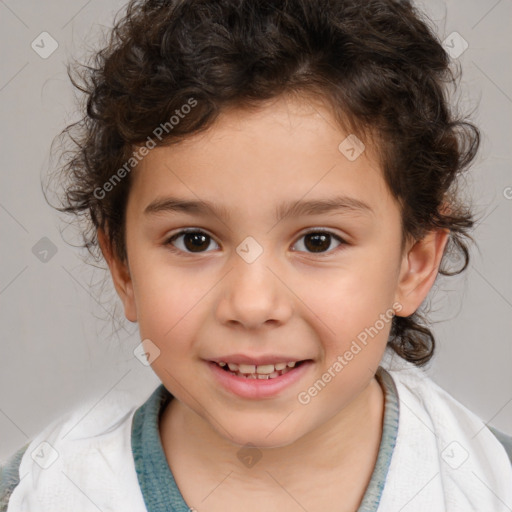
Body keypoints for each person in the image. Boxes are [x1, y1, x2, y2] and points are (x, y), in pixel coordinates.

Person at [1, 0, 511, 510]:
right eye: (194, 240)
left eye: (318, 241)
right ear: (123, 267)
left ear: (413, 264)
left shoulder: (490, 484)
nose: (251, 304)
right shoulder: (43, 492)